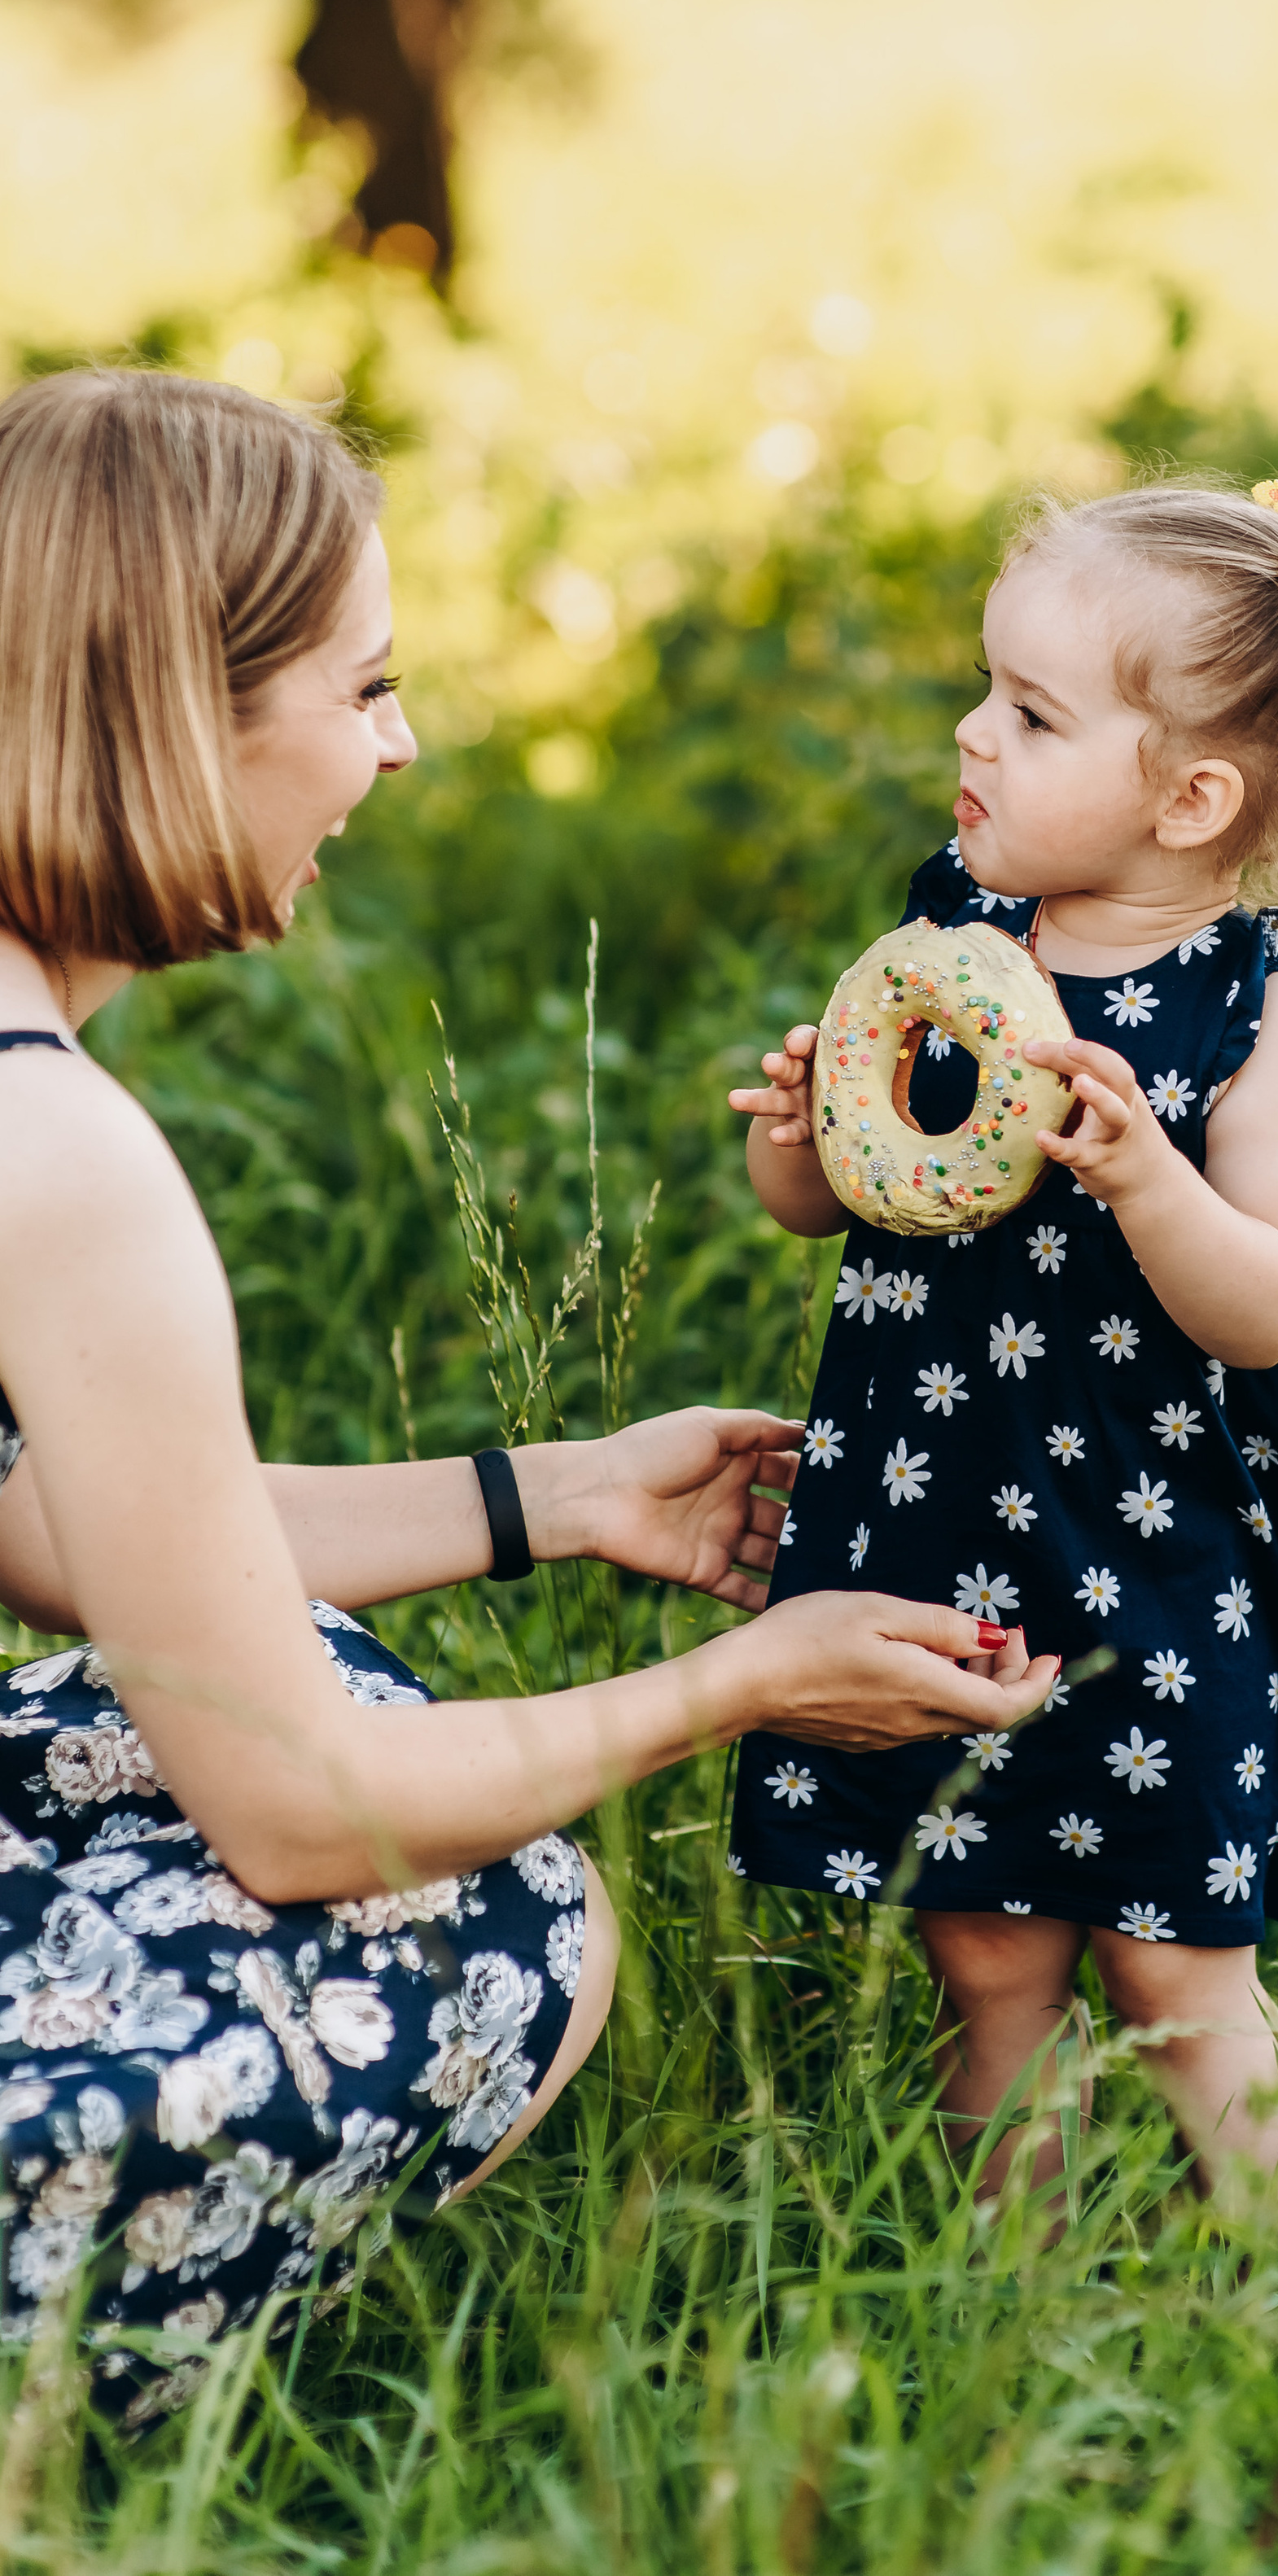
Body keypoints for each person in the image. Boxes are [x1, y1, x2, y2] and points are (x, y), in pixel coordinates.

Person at [0, 366, 1057, 2408]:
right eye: (362, 687)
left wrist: (550, 1492)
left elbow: (68, 1541)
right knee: (491, 1929)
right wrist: (740, 1684)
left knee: (317, 1691)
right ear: (170, 711)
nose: (397, 751)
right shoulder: (54, 1154)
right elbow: (302, 1815)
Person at [729, 471, 1278, 2194]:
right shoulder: (951, 936)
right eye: (985, 687)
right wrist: (792, 1132)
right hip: (944, 1514)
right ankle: (1006, 2307)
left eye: (1029, 714)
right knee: (980, 1946)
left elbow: (1265, 1304)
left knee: (1177, 1965)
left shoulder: (1261, 1007)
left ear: (1189, 798)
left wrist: (1142, 1179)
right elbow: (844, 1203)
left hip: (1156, 1550)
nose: (970, 733)